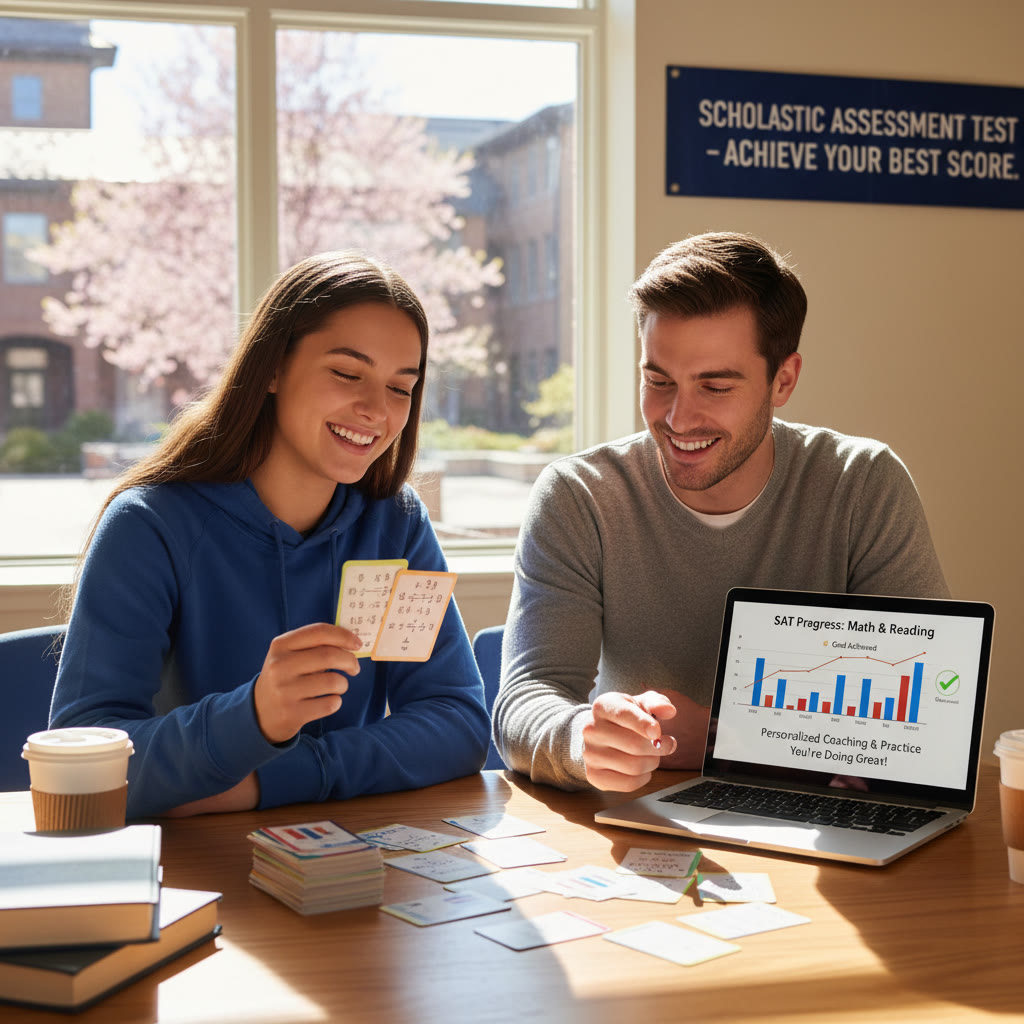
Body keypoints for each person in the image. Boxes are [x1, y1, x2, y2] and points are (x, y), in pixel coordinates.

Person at [492, 231, 948, 794]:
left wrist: (714, 738)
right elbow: (525, 700)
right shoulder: (580, 495)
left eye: (715, 386)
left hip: (823, 832)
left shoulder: (862, 484)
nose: (679, 418)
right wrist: (582, 735)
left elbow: (924, 723)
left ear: (783, 379)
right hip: (644, 826)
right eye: (658, 380)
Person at [50, 251, 490, 818]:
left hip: (342, 861)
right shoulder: (148, 526)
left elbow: (458, 723)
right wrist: (253, 716)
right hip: (191, 870)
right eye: (347, 373)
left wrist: (277, 780)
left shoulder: (395, 522)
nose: (376, 410)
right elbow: (82, 765)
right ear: (274, 368)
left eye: (401, 388)